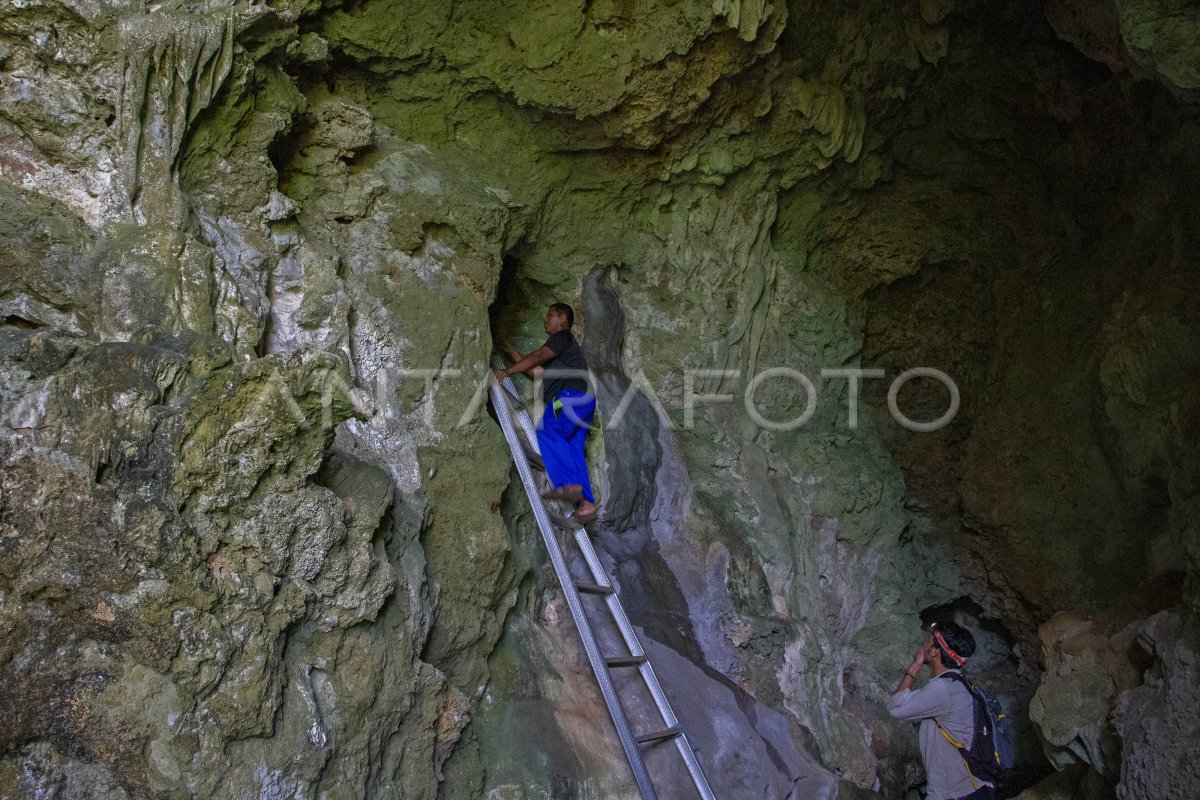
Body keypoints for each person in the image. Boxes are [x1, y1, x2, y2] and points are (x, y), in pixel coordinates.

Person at [493, 303, 598, 524]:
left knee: (548, 431)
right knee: (573, 449)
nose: (545, 320)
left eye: (549, 315)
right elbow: (536, 371)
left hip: (570, 396)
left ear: (563, 319)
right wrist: (509, 348)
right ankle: (586, 506)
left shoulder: (562, 337)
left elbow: (539, 356)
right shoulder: (563, 356)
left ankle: (569, 487)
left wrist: (507, 371)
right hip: (585, 401)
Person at [887, 620, 994, 800]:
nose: (923, 647)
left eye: (927, 643)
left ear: (935, 651)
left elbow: (895, 708)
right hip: (974, 787)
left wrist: (915, 665)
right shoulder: (961, 685)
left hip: (957, 794)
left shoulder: (942, 690)